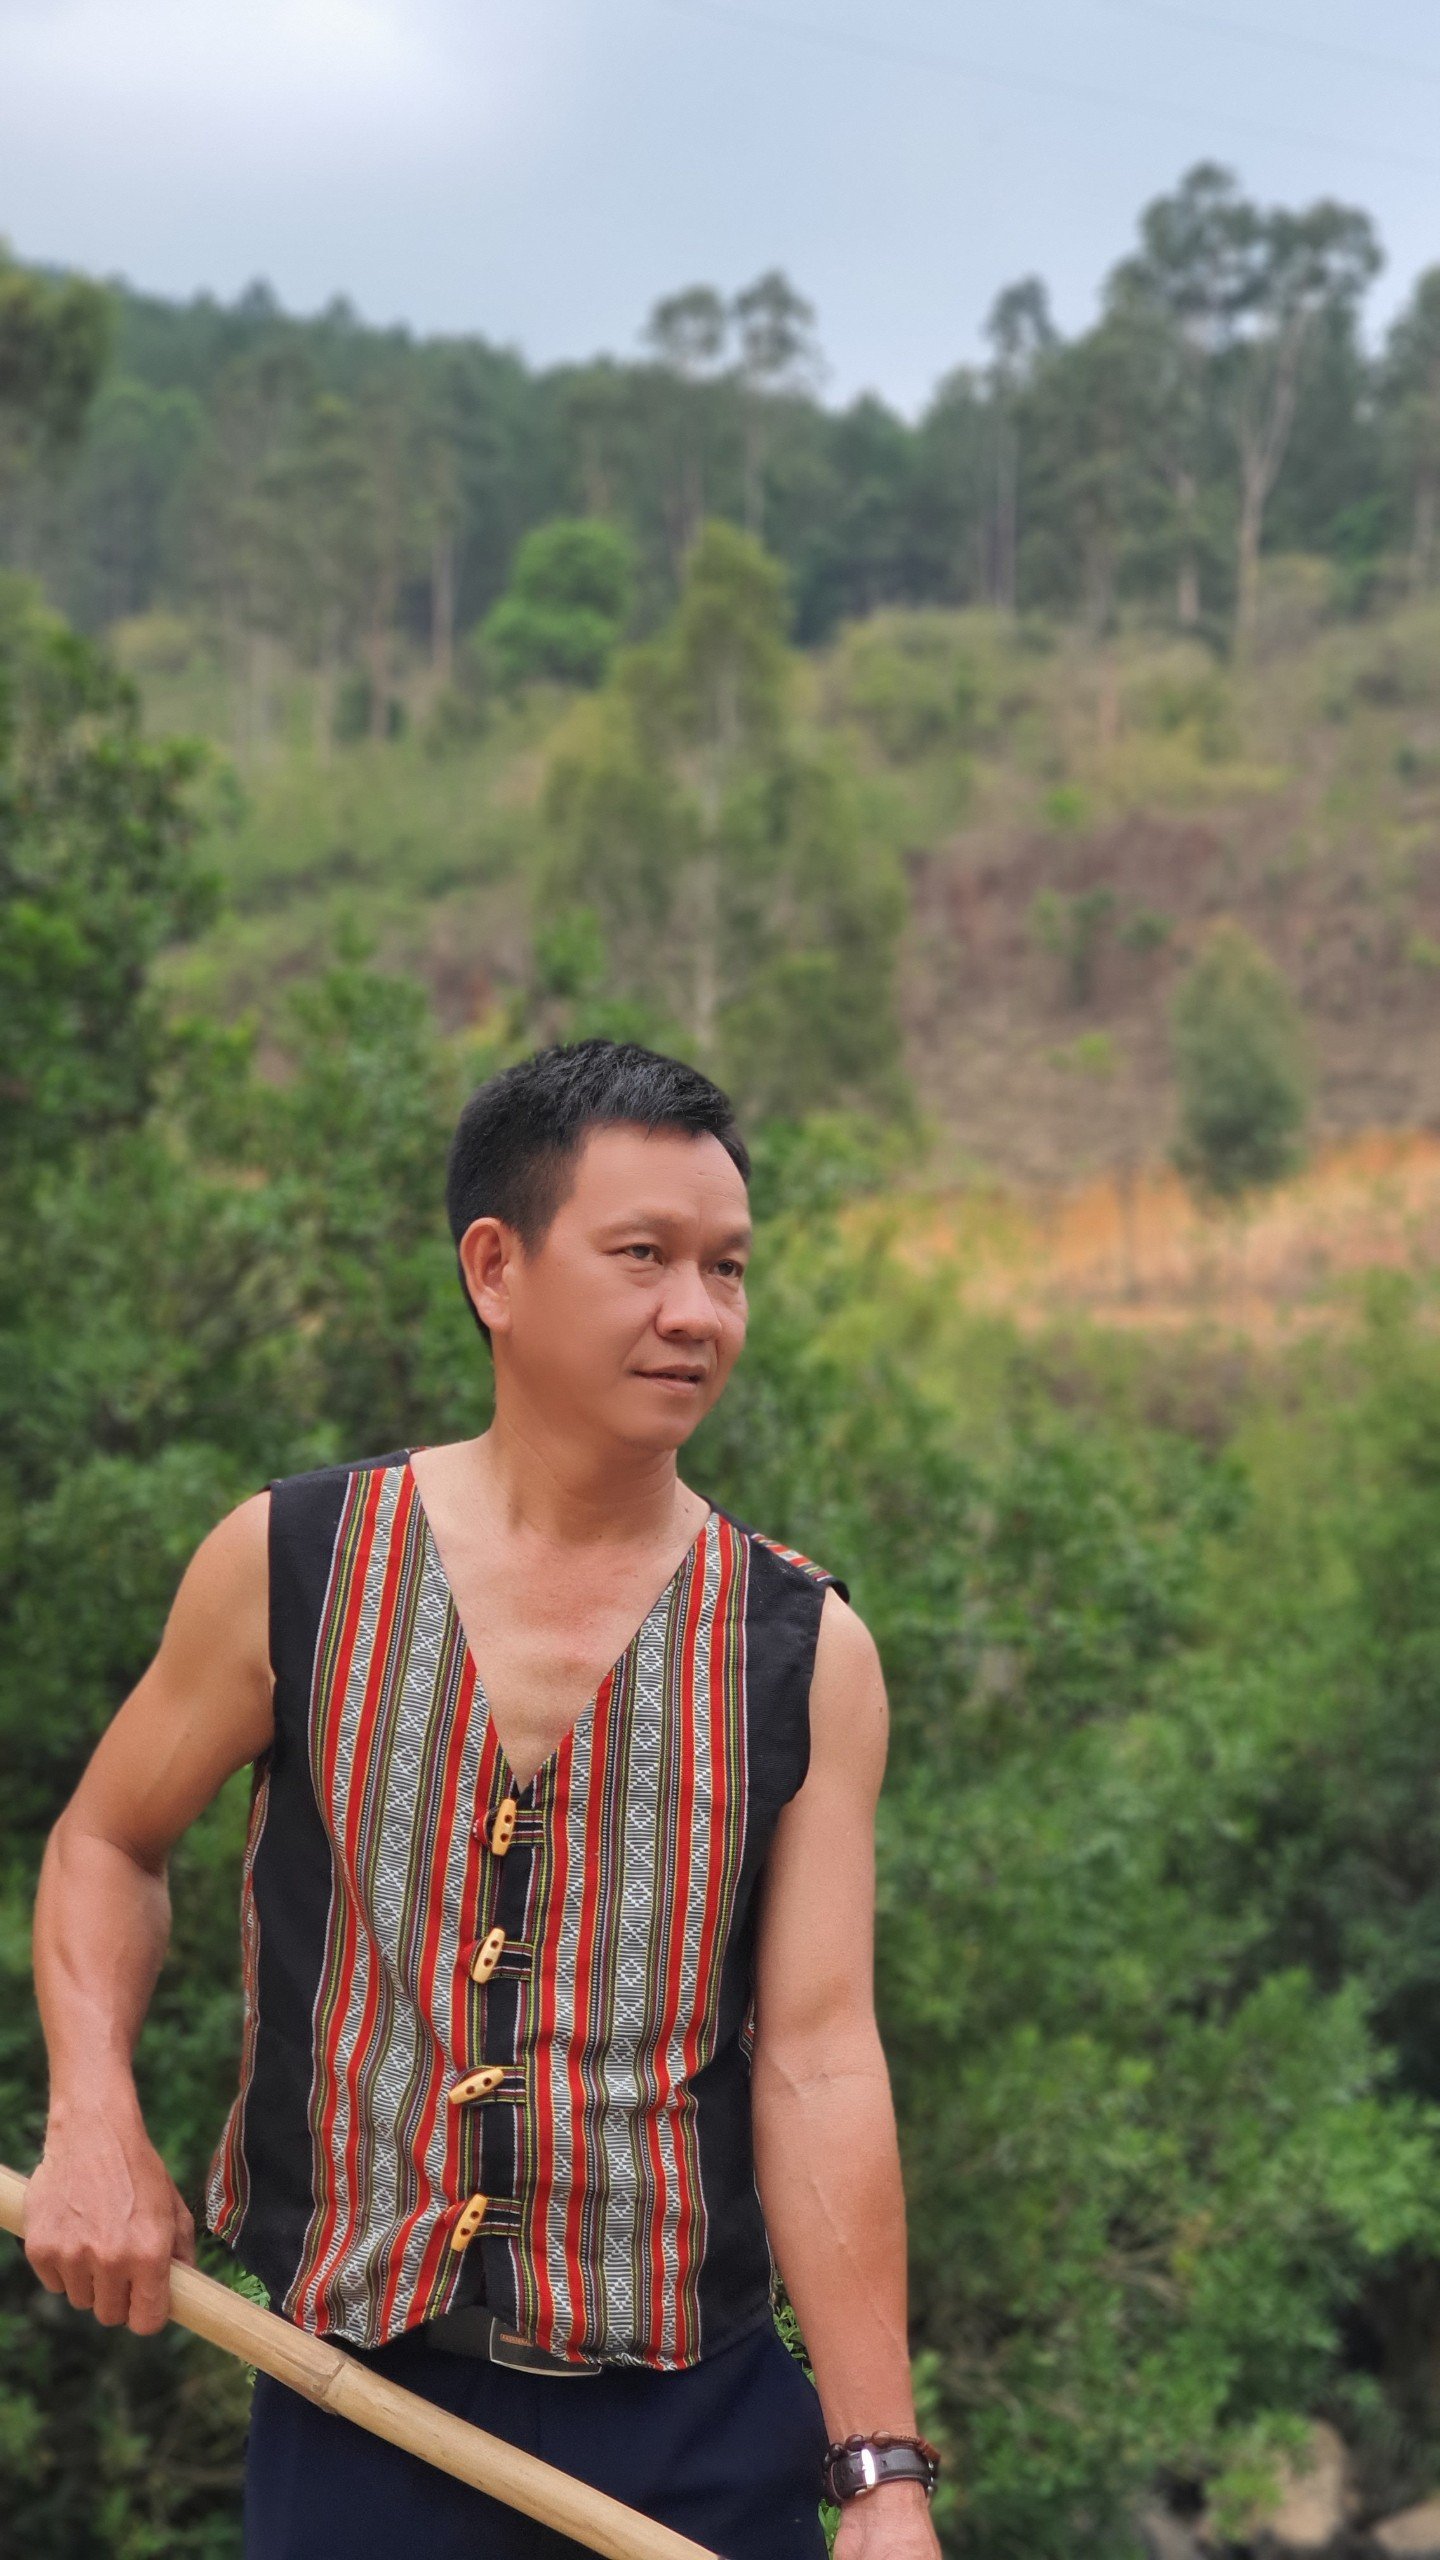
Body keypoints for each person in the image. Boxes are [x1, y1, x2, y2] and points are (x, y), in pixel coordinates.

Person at [25, 1038, 942, 2560]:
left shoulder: (804, 1650)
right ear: (496, 1269)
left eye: (726, 1268)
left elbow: (821, 2056)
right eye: (643, 1256)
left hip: (699, 2439)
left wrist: (880, 2472)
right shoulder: (290, 1563)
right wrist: (95, 2120)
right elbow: (106, 1844)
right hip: (353, 2415)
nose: (697, 1312)